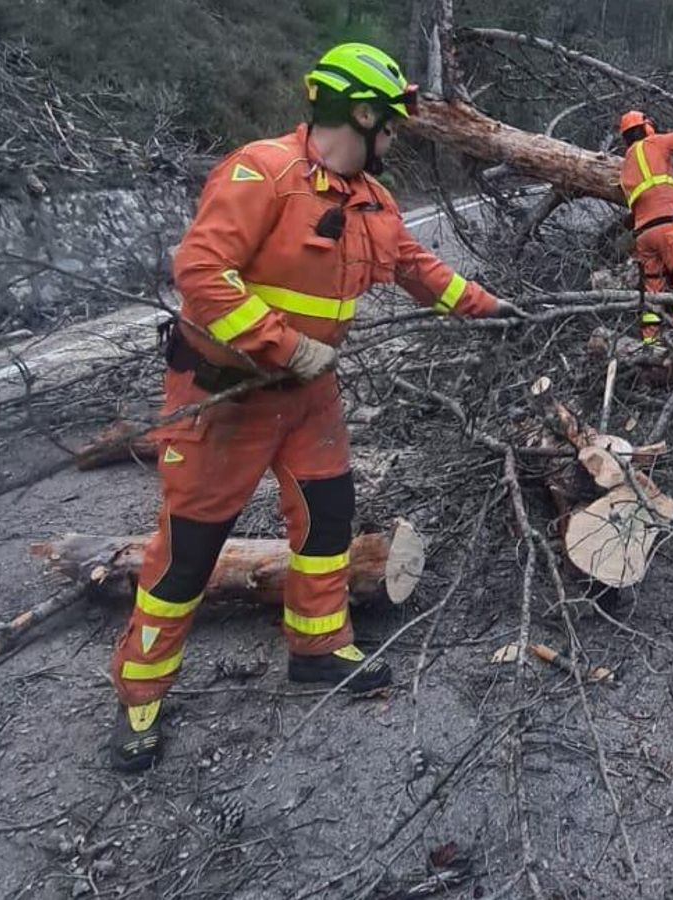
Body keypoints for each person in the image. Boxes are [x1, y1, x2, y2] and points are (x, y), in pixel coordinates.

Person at [108, 43, 514, 772]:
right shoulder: (262, 172)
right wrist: (283, 345)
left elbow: (422, 272)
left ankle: (319, 649)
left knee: (328, 523)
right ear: (361, 114)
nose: (394, 138)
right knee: (187, 557)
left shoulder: (372, 202)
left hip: (308, 402)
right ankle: (140, 694)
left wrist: (491, 310)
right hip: (221, 398)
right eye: (389, 124)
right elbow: (201, 271)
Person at [617, 110, 673, 343]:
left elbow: (658, 195)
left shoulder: (625, 167)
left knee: (653, 292)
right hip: (669, 229)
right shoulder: (656, 143)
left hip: (644, 236)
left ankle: (650, 342)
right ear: (647, 128)